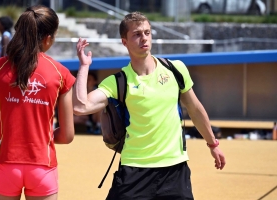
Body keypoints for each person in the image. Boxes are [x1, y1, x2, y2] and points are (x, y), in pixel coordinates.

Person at [73, 11, 226, 199]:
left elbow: (195, 109)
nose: (144, 38)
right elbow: (81, 107)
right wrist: (84, 66)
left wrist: (213, 144)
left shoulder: (175, 69)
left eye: (147, 32)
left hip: (175, 170)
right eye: (137, 34)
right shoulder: (119, 81)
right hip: (134, 170)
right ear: (124, 42)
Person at [0, 5, 75, 200]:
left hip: (5, 163)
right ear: (48, 38)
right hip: (43, 166)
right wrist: (40, 137)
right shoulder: (61, 73)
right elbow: (67, 135)